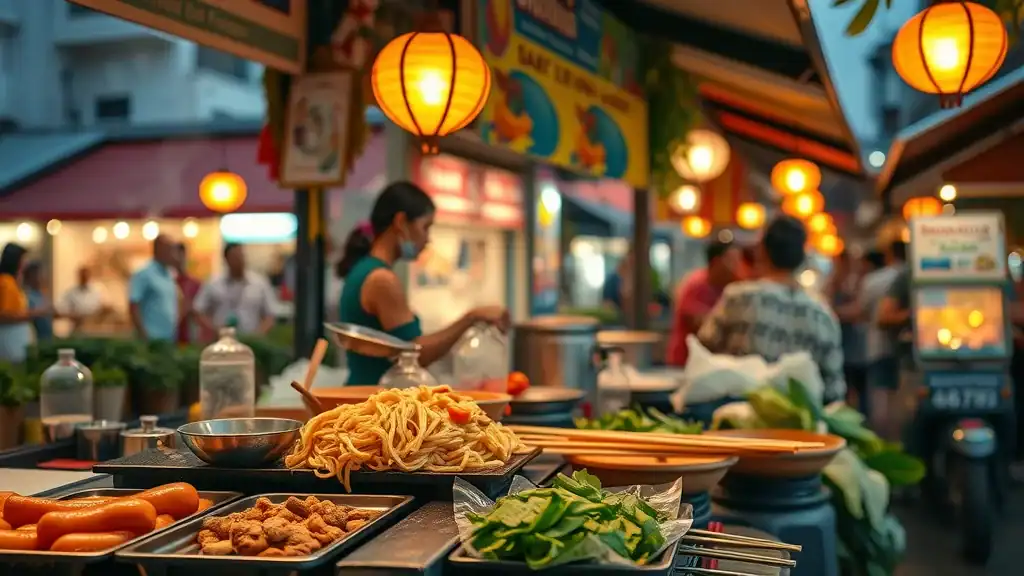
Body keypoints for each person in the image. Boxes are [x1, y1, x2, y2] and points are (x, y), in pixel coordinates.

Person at [336, 181, 510, 385]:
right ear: (400, 222)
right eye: (425, 227)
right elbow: (416, 355)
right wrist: (471, 317)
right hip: (374, 399)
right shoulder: (381, 279)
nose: (428, 239)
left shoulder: (364, 270)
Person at [698, 215, 846, 403]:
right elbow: (834, 391)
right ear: (802, 256)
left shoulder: (738, 297)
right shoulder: (823, 315)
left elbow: (703, 348)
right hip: (799, 427)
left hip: (736, 420)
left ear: (762, 251)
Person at [667, 240, 740, 367]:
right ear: (717, 262)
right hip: (684, 364)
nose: (737, 266)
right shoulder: (695, 285)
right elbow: (703, 328)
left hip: (712, 366)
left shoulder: (731, 286)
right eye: (731, 260)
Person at [868, 241, 909, 439]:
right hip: (899, 352)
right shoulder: (906, 276)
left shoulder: (874, 280)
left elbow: (875, 315)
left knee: (882, 400)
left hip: (879, 348)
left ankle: (883, 441)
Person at [194, 243, 278, 337]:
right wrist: (213, 330)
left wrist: (258, 334)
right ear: (226, 259)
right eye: (235, 257)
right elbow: (198, 310)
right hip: (221, 341)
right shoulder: (213, 283)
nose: (240, 260)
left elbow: (270, 315)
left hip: (251, 340)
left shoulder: (260, 283)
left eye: (241, 256)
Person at [830, 249, 868, 413]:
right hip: (842, 344)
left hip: (856, 347)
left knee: (859, 390)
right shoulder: (833, 283)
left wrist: (837, 313)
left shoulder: (859, 282)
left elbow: (859, 311)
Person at [0, 244, 48, 363]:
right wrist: (34, 313)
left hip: (16, 342)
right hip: (10, 343)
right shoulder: (6, 283)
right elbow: (4, 315)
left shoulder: (13, 283)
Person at [128, 235, 179, 342]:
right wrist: (143, 335)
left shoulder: (170, 275)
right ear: (158, 250)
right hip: (150, 340)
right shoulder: (144, 274)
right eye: (169, 250)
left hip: (169, 339)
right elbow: (133, 306)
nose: (173, 254)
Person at [601, 247, 670, 324]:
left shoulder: (649, 278)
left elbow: (661, 304)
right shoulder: (613, 281)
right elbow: (607, 306)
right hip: (618, 326)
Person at [58, 266, 107, 332]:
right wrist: (72, 315)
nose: (84, 278)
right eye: (82, 276)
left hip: (95, 328)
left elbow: (106, 307)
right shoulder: (71, 292)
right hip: (78, 328)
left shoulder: (98, 290)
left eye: (86, 276)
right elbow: (60, 309)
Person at [174, 243, 202, 344]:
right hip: (170, 336)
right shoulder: (167, 283)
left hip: (190, 336)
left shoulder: (195, 284)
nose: (179, 260)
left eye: (181, 256)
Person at [21, 261, 54, 342]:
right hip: (33, 341)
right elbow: (24, 314)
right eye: (40, 274)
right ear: (31, 276)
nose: (43, 277)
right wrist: (43, 311)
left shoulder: (42, 294)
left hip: (46, 340)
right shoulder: (25, 295)